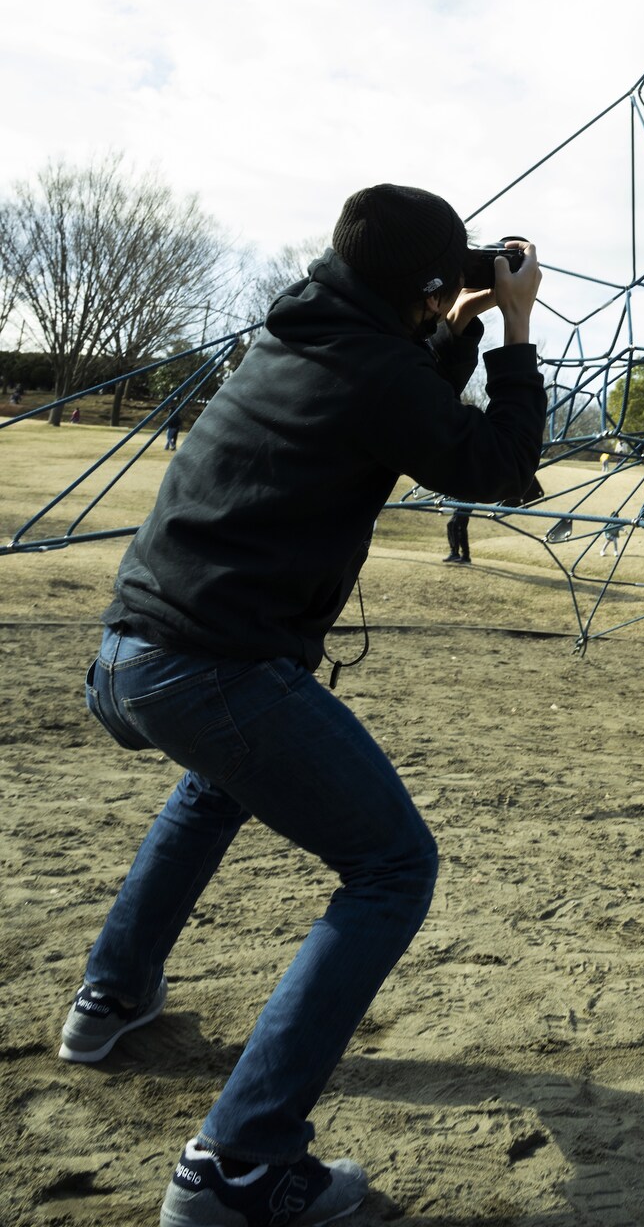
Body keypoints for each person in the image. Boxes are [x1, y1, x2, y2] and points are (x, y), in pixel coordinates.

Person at [58, 183, 545, 1227]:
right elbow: (497, 468)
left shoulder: (302, 333)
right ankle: (236, 1165)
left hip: (127, 658)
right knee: (391, 867)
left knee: (217, 787)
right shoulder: (373, 366)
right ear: (416, 290)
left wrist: (444, 332)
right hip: (210, 669)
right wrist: (511, 328)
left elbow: (393, 412)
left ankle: (110, 997)